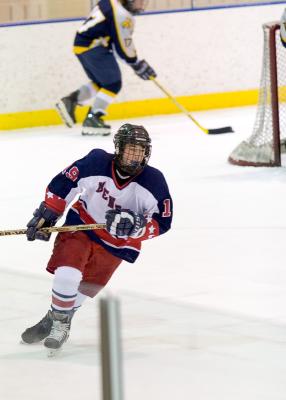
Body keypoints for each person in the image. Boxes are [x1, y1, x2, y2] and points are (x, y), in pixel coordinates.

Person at [21, 123, 173, 356]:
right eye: (131, 149)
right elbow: (64, 183)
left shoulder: (154, 181)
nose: (136, 156)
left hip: (118, 242)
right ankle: (61, 325)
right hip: (81, 224)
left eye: (141, 151)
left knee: (86, 286)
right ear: (118, 149)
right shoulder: (96, 162)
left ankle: (53, 318)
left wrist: (137, 226)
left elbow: (163, 222)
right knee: (67, 273)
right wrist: (49, 212)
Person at [56, 0, 157, 136]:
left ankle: (70, 101)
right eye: (138, 1)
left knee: (102, 83)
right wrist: (136, 63)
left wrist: (134, 63)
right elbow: (123, 47)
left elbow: (116, 43)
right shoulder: (122, 15)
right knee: (113, 83)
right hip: (94, 46)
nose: (141, 5)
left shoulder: (109, 2)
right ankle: (93, 117)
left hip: (82, 45)